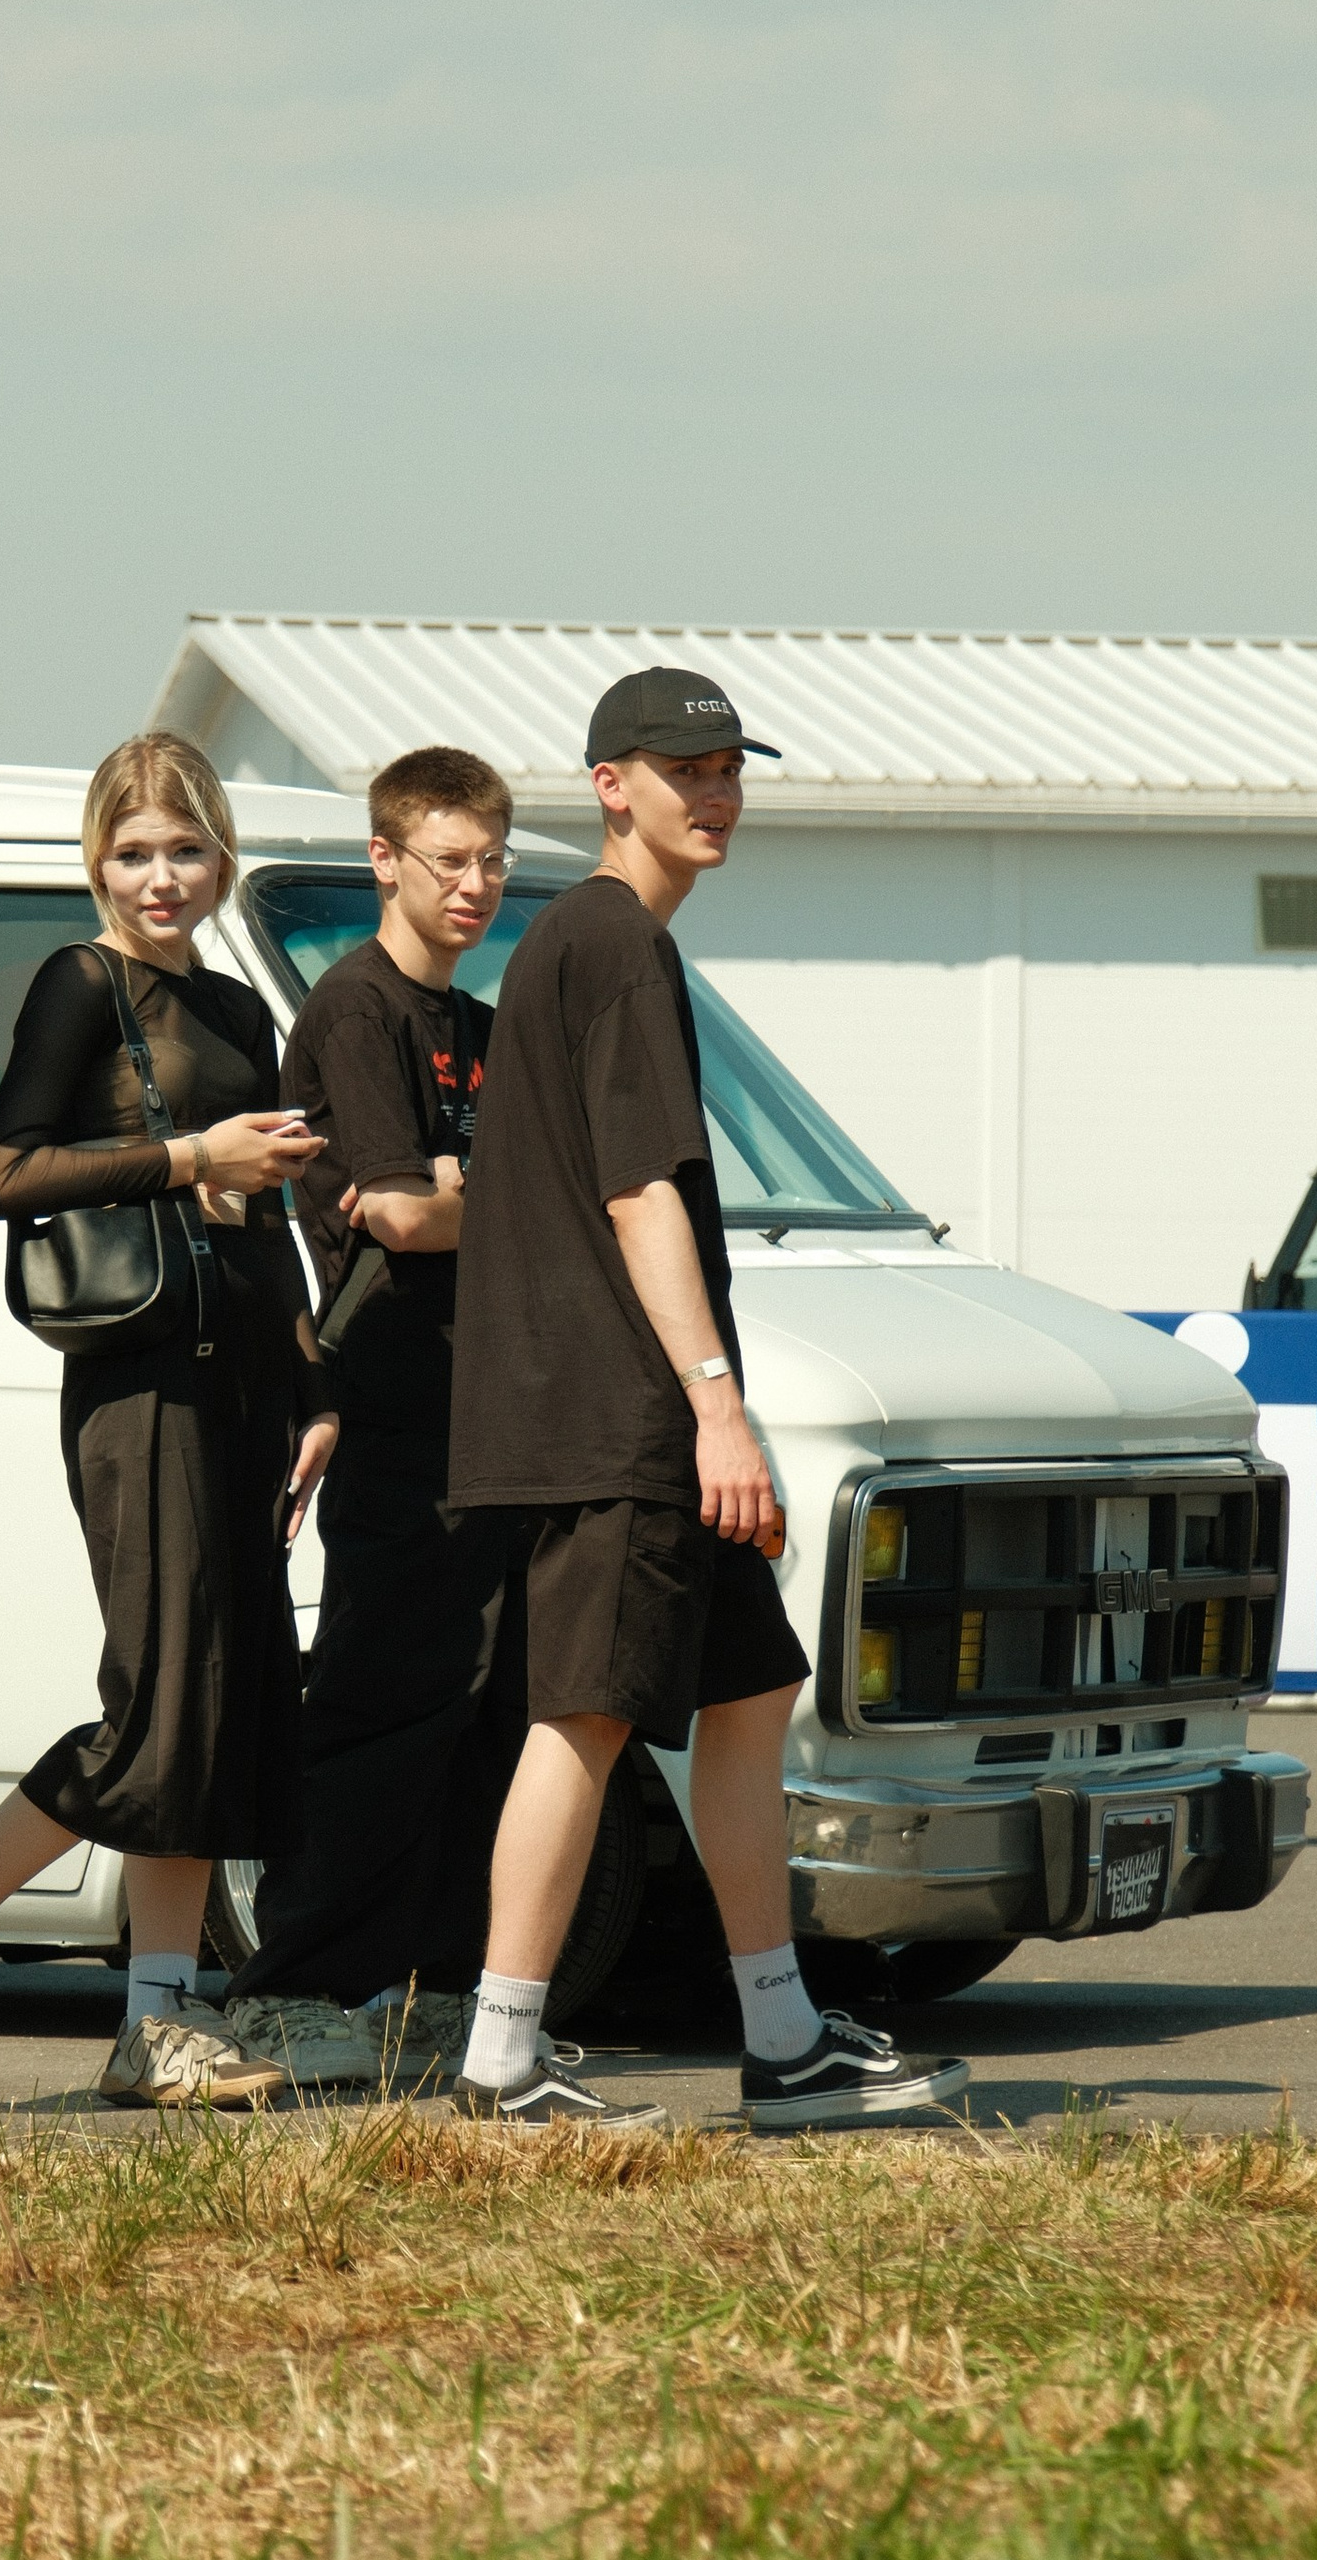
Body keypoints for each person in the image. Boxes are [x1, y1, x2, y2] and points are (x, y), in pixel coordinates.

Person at [447, 667, 970, 2133]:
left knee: (752, 1695)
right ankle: (498, 2061)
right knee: (587, 1720)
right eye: (682, 767)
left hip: (627, 1409)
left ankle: (785, 2038)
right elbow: (636, 1193)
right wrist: (715, 1404)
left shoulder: (596, 944)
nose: (714, 788)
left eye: (731, 763)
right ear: (610, 784)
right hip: (621, 1416)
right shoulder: (611, 943)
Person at [0, 732, 340, 2109]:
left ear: (220, 856)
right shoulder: (82, 985)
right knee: (160, 1706)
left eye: (183, 850)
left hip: (243, 1378)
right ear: (96, 863)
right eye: (132, 853)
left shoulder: (240, 1012)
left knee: (225, 1711)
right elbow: (4, 1170)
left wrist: (314, 1390)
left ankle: (158, 2029)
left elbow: (275, 1212)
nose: (159, 877)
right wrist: (188, 1157)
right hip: (137, 1385)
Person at [219, 746, 529, 2091]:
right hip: (396, 1408)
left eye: (492, 862)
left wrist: (466, 1189)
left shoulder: (483, 1028)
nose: (475, 887)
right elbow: (400, 1212)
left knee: (484, 1720)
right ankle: (295, 1989)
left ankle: (443, 1995)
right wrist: (465, 1193)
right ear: (385, 862)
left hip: (496, 1411)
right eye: (449, 861)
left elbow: (481, 1196)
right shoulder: (359, 1011)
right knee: (377, 1706)